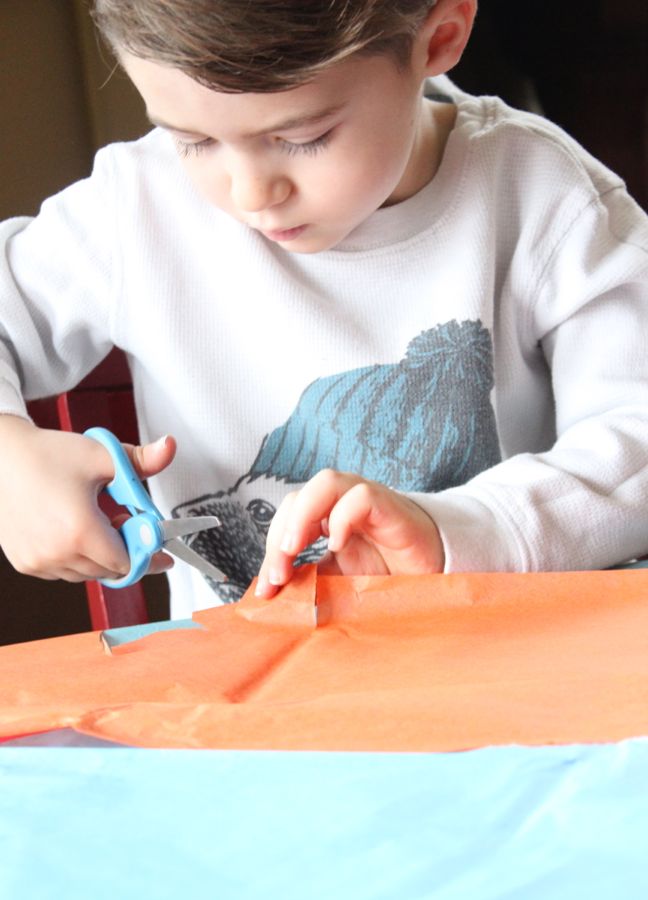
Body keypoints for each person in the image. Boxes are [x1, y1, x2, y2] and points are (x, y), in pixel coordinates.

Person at [0, 0, 647, 618]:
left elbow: (635, 433)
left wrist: (462, 533)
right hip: (248, 718)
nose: (251, 193)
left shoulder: (541, 197)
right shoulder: (134, 210)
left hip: (523, 691)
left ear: (440, 39)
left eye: (303, 136)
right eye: (192, 140)